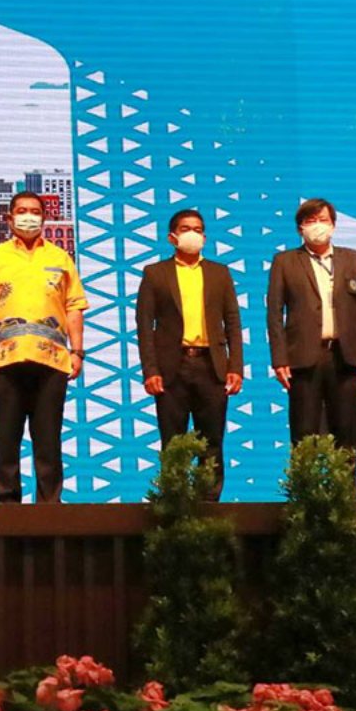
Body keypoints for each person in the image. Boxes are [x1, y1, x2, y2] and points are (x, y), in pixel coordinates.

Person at [0, 190, 87, 503]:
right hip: (4, 360)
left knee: (48, 438)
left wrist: (77, 351)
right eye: (21, 211)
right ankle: (7, 503)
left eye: (35, 211)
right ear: (9, 219)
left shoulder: (60, 258)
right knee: (6, 436)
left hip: (52, 361)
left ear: (44, 218)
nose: (28, 217)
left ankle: (49, 504)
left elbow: (74, 306)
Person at [135, 209, 244, 499]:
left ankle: (209, 505)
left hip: (212, 366)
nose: (192, 234)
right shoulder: (155, 274)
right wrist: (151, 370)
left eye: (198, 229)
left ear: (204, 237)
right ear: (172, 237)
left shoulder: (219, 273)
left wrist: (235, 366)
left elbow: (233, 322)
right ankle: (176, 503)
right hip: (172, 367)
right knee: (174, 443)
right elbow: (144, 326)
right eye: (186, 229)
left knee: (212, 442)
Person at [266, 198, 356, 448]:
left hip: (344, 356)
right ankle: (304, 475)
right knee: (304, 434)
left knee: (345, 433)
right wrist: (280, 359)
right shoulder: (285, 262)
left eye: (323, 220)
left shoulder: (352, 259)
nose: (318, 226)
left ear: (333, 225)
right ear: (300, 228)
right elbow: (274, 313)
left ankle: (344, 476)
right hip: (303, 358)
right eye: (311, 221)